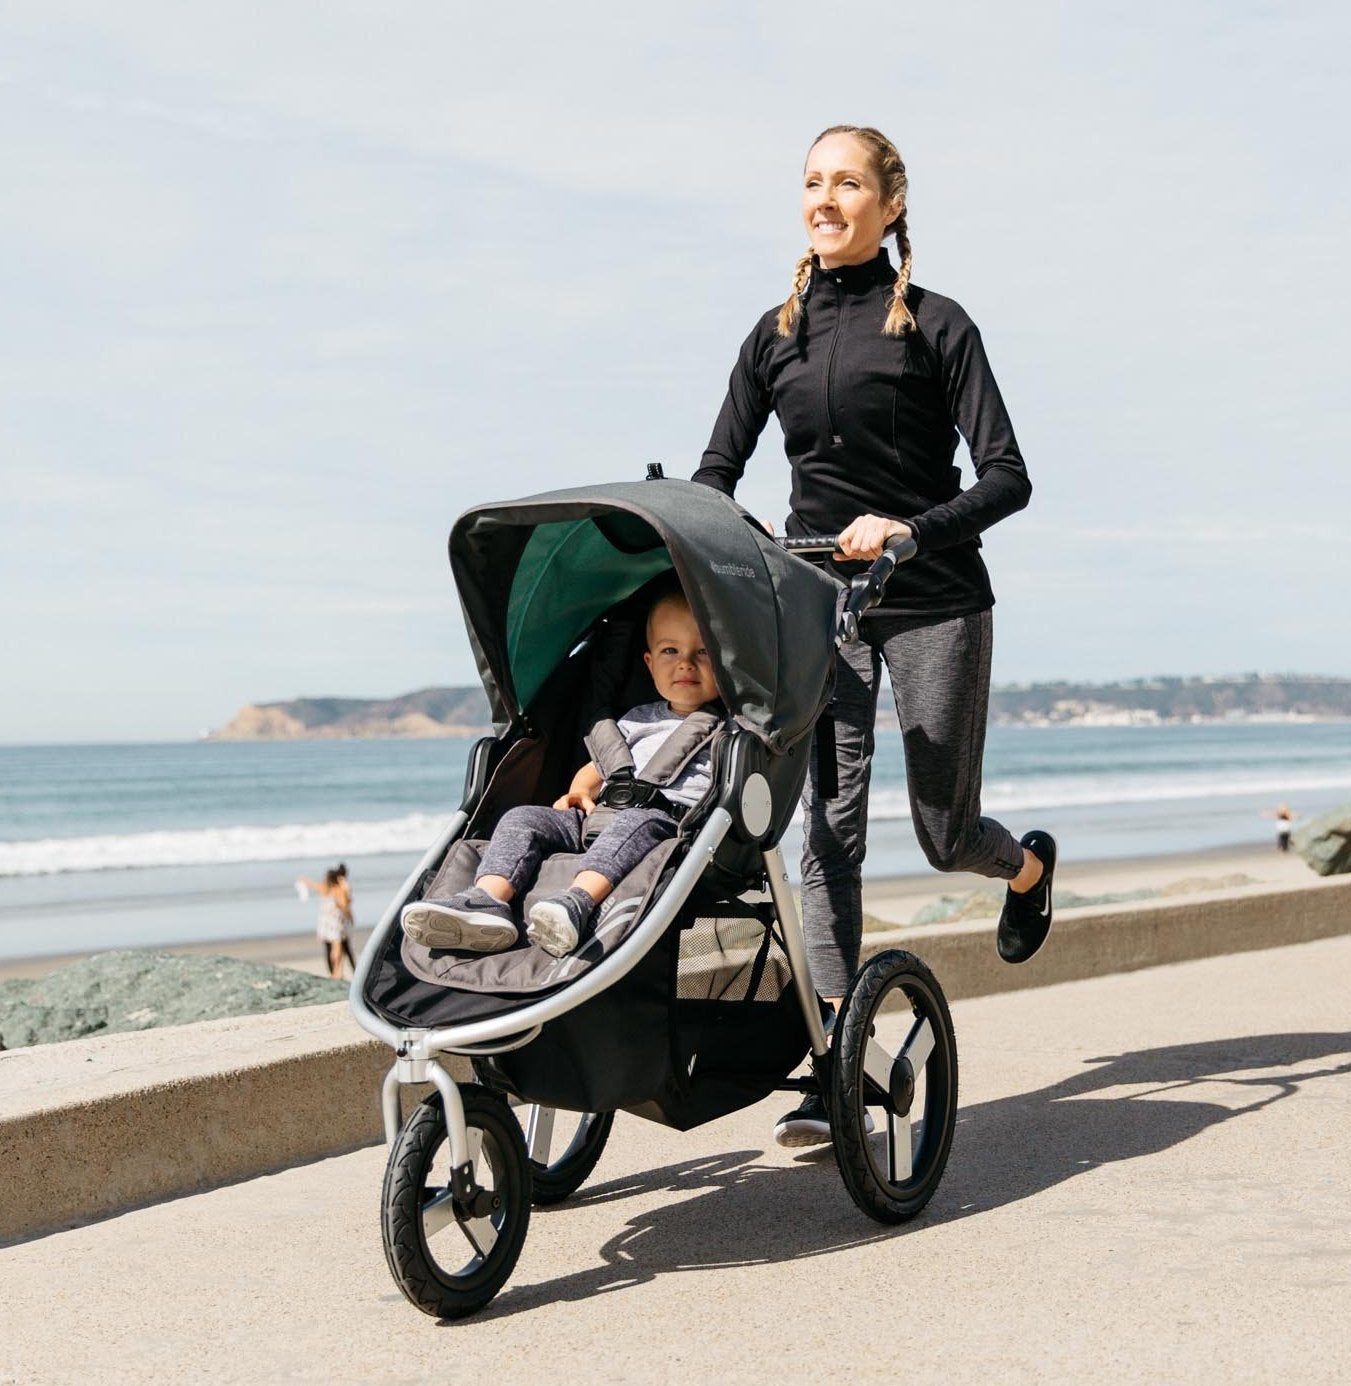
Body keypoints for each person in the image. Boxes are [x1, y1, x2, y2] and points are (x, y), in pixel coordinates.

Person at [694, 124, 1056, 1147]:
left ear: (889, 204)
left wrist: (907, 529)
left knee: (946, 836)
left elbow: (1006, 476)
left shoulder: (938, 326)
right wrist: (738, 533)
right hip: (822, 606)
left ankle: (1024, 868)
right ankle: (835, 1061)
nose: (824, 196)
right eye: (811, 181)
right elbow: (716, 470)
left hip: (934, 595)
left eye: (846, 181)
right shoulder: (774, 335)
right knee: (827, 832)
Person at [399, 588, 721, 959]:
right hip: (597, 819)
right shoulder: (634, 720)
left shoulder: (726, 729)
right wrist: (578, 791)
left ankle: (576, 902)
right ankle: (487, 897)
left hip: (665, 826)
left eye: (703, 652)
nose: (685, 663)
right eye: (671, 651)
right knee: (523, 818)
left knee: (637, 821)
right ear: (648, 663)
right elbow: (602, 765)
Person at [298, 866, 354, 978]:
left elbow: (313, 885)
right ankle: (336, 972)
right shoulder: (339, 890)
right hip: (336, 923)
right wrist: (350, 915)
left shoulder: (324, 888)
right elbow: (344, 906)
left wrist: (304, 880)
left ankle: (335, 971)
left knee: (332, 947)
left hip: (324, 923)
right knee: (337, 947)